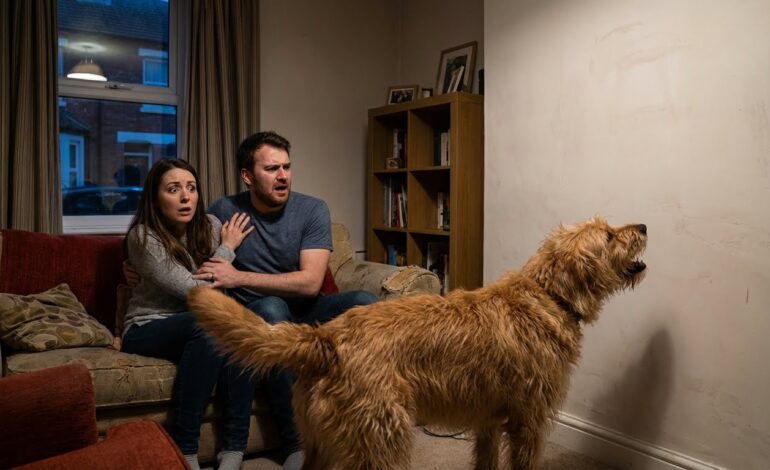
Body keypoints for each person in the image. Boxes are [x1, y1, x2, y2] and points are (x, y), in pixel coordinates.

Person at [193, 131, 378, 470]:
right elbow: (192, 258)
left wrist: (238, 277)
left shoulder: (312, 209)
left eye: (287, 167)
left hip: (308, 309)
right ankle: (296, 442)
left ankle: (372, 417)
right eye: (272, 168)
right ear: (248, 176)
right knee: (271, 309)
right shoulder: (224, 210)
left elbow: (310, 283)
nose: (283, 176)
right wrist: (135, 264)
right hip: (260, 316)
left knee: (365, 301)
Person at [119, 159, 254, 470]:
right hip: (147, 327)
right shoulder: (143, 235)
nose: (185, 197)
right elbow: (197, 292)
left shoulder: (211, 225)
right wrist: (227, 249)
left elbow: (221, 289)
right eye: (173, 189)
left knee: (239, 328)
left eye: (191, 188)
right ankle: (186, 448)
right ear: (155, 198)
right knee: (208, 323)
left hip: (196, 323)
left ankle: (234, 449)